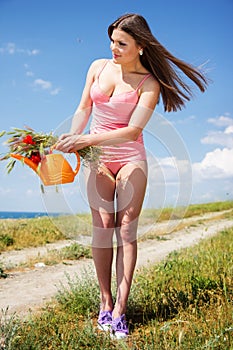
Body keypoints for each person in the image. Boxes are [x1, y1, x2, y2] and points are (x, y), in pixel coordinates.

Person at [55, 13, 208, 339]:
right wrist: (72, 139)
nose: (113, 48)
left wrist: (85, 140)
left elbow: (132, 130)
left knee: (125, 230)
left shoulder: (148, 83)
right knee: (101, 228)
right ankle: (105, 302)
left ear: (140, 46)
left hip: (129, 159)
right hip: (96, 158)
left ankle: (121, 311)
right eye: (111, 40)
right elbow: (83, 108)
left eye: (122, 43)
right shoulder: (98, 67)